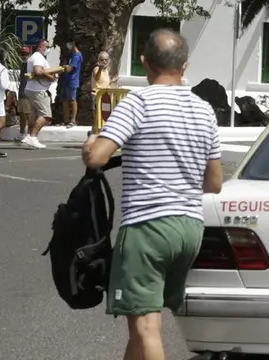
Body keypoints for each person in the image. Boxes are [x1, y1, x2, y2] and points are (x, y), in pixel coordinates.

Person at [82, 28, 223, 360]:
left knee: (147, 328)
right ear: (184, 66)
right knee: (140, 328)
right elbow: (215, 183)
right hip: (189, 230)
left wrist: (90, 145)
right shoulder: (204, 111)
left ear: (144, 63)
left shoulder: (138, 102)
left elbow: (98, 157)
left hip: (147, 228)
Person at [22, 39, 64, 149]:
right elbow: (38, 71)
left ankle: (29, 135)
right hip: (38, 90)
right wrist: (51, 76)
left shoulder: (35, 57)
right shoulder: (38, 57)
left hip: (33, 89)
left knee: (35, 115)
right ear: (40, 47)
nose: (48, 49)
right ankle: (33, 137)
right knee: (46, 115)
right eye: (47, 47)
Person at [58, 39, 84, 128]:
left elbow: (70, 69)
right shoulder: (72, 55)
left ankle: (73, 120)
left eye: (69, 44)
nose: (68, 47)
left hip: (72, 81)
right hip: (66, 80)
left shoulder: (77, 56)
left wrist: (64, 67)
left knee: (72, 100)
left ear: (73, 44)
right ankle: (66, 120)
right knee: (65, 100)